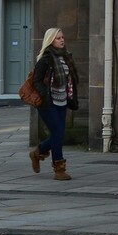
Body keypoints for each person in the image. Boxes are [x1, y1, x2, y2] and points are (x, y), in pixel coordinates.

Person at [28, 26, 79, 180]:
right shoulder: (45, 59)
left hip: (62, 100)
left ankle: (37, 152)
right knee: (57, 133)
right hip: (47, 103)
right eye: (58, 38)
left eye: (62, 37)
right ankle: (59, 169)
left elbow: (71, 79)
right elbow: (36, 81)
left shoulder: (66, 57)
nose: (62, 40)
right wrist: (45, 96)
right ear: (51, 41)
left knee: (59, 134)